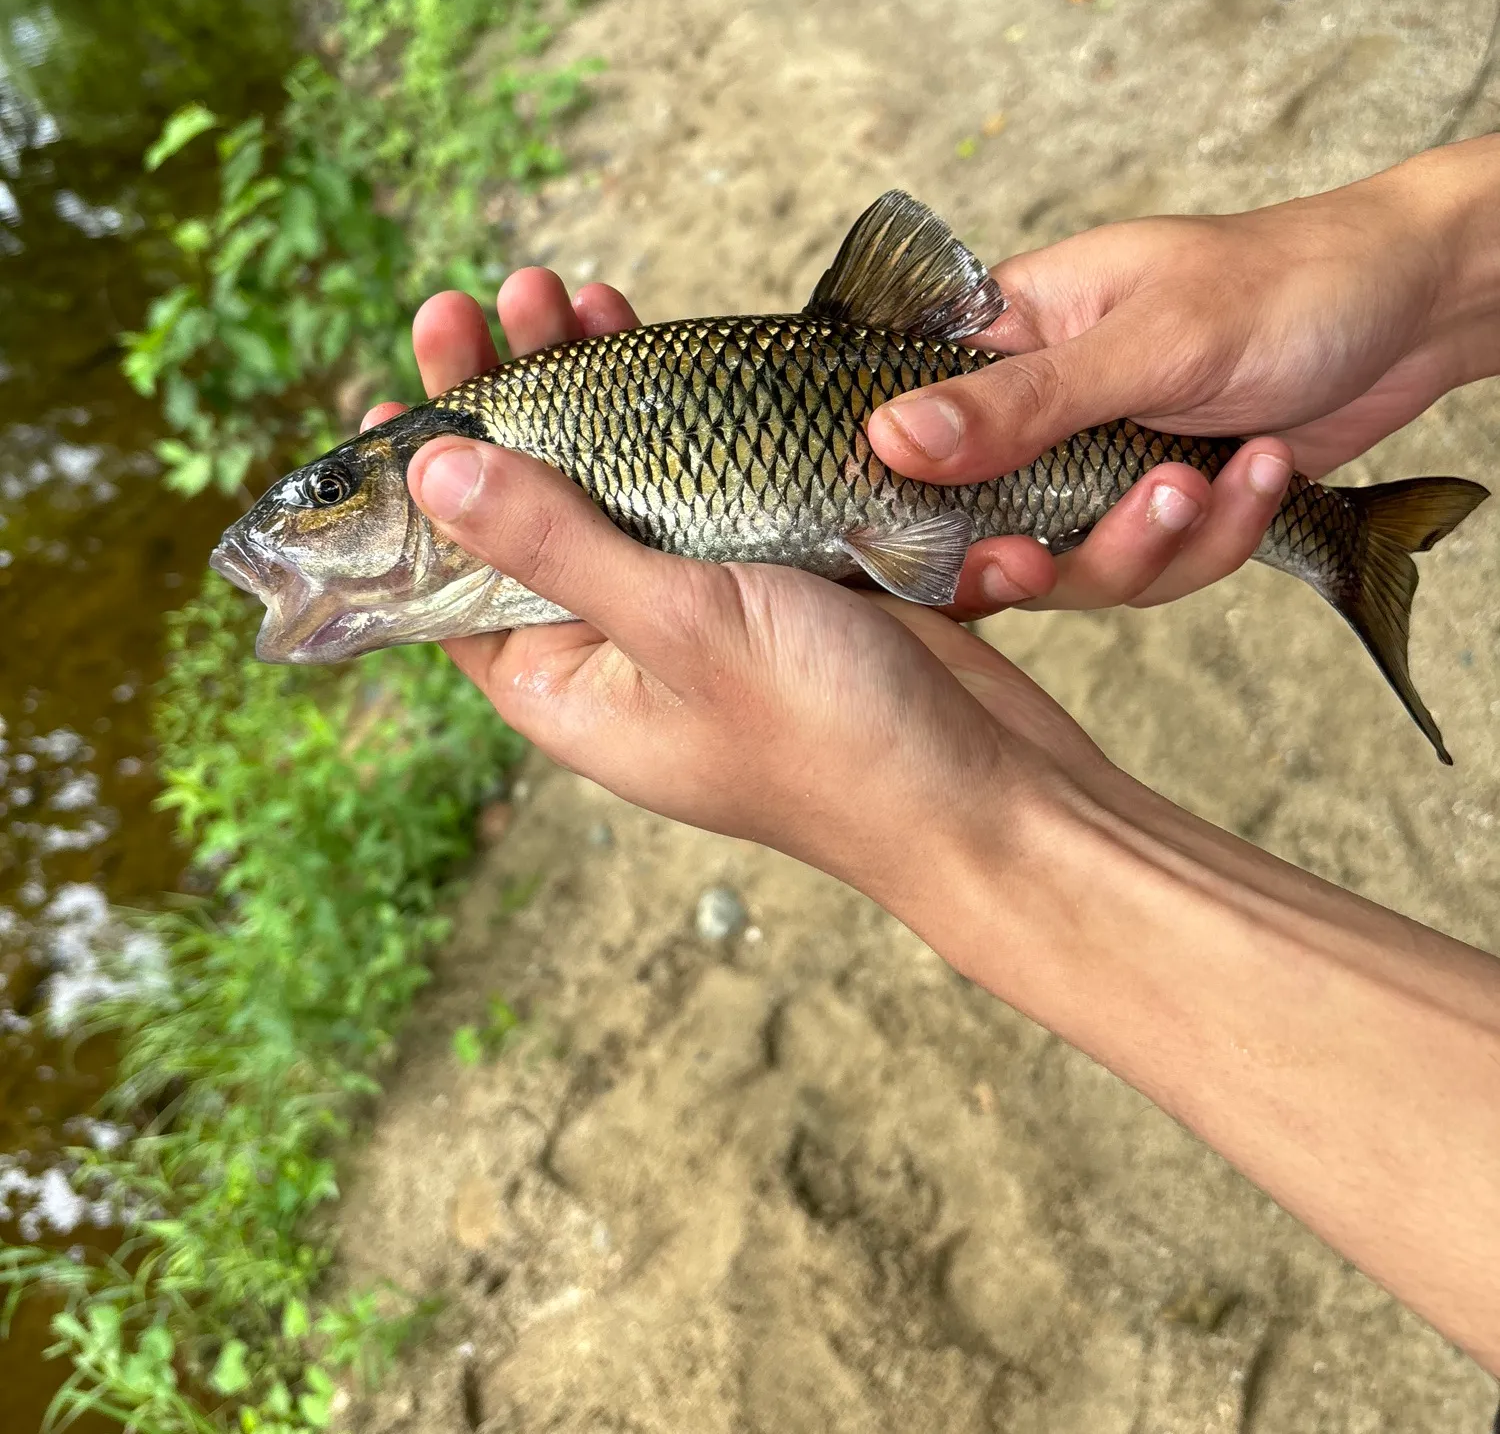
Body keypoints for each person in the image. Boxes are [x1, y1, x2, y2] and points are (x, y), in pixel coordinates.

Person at [364, 137, 1500, 1380]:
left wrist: (1426, 256)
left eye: (328, 495)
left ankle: (1351, 541)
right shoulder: (529, 424)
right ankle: (1353, 523)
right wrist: (1430, 250)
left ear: (439, 482)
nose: (301, 525)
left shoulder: (501, 444)